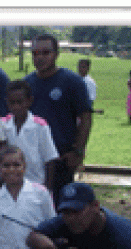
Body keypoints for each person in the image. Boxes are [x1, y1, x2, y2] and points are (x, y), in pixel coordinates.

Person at [24, 34, 92, 206]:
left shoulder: (72, 81)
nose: (40, 57)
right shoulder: (27, 84)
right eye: (35, 53)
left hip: (62, 158)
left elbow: (85, 117)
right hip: (33, 159)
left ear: (56, 54)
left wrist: (78, 151)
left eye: (46, 52)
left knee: (61, 207)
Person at [2, 80, 58, 193]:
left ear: (29, 101)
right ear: (7, 103)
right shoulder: (3, 124)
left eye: (20, 102)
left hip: (36, 184)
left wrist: (47, 189)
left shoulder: (40, 126)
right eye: (12, 103)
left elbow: (50, 159)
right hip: (9, 186)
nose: (16, 107)